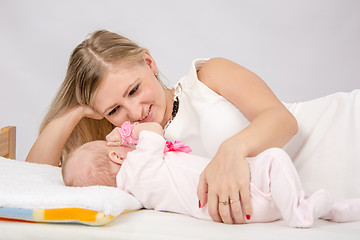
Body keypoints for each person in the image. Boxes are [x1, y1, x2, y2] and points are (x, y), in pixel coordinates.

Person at [26, 29, 360, 224]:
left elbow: (283, 121)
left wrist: (231, 149)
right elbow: (32, 180)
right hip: (322, 199)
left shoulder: (206, 76)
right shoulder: (133, 156)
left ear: (149, 63)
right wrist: (74, 111)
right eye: (114, 108)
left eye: (134, 89)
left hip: (343, 131)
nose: (134, 111)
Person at [62, 121, 360, 228]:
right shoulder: (138, 166)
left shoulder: (135, 193)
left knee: (272, 174)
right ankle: (299, 213)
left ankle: (333, 210)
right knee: (274, 158)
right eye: (112, 145)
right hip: (238, 196)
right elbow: (153, 130)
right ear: (115, 154)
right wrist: (127, 131)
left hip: (235, 206)